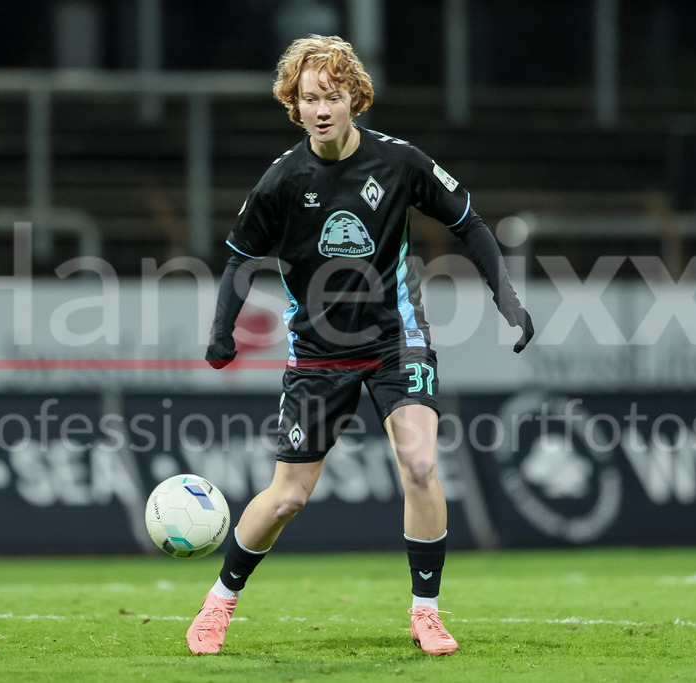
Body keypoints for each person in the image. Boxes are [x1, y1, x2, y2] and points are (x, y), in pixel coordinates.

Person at [187, 34, 533, 656]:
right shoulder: (281, 182)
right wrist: (221, 333)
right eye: (309, 97)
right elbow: (240, 258)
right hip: (318, 354)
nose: (321, 108)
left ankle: (425, 611)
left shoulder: (398, 162)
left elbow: (469, 223)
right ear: (293, 105)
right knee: (289, 495)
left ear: (356, 98)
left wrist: (505, 297)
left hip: (398, 338)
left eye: (333, 95)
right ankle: (219, 602)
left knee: (421, 464)